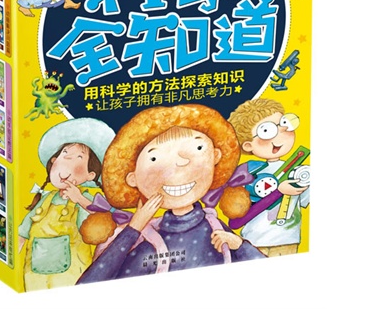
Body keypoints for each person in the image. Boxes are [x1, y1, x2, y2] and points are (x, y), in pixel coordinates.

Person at [77, 104, 265, 284]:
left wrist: (239, 245)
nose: (181, 162)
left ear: (216, 155)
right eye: (154, 158)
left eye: (198, 148)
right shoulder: (147, 241)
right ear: (133, 178)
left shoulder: (214, 226)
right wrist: (134, 227)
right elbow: (90, 284)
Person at [18, 118, 115, 291]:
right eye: (65, 154)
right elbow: (23, 231)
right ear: (53, 161)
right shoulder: (45, 199)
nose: (67, 161)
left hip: (72, 275)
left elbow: (97, 229)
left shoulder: (86, 200)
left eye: (79, 157)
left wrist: (79, 200)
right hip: (35, 275)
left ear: (91, 175)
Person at [228, 98, 310, 256]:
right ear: (248, 145)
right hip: (255, 240)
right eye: (266, 131)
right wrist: (279, 192)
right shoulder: (246, 172)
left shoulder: (299, 169)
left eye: (284, 124)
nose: (281, 133)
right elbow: (236, 221)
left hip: (288, 239)